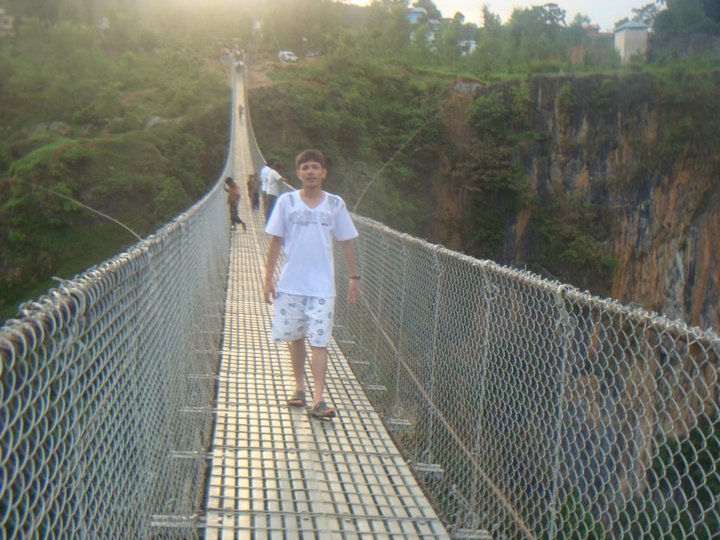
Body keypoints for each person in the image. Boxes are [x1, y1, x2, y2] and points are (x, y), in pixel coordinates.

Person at [263, 149, 360, 419]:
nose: (310, 172)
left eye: (315, 167)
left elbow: (346, 241)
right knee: (296, 338)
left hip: (322, 287)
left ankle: (318, 399)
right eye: (305, 167)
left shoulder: (335, 204)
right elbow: (276, 241)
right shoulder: (286, 202)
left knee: (320, 341)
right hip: (291, 284)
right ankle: (299, 388)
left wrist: (354, 277)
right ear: (298, 173)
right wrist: (268, 278)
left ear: (324, 172)